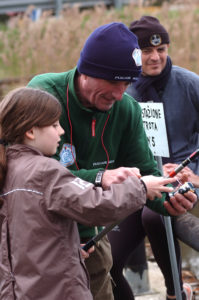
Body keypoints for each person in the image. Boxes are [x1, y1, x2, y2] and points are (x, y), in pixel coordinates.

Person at [27, 22, 197, 300]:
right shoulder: (44, 94)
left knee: (104, 280)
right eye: (114, 82)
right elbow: (38, 177)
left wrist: (169, 200)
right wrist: (99, 177)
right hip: (41, 238)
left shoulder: (126, 109)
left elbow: (146, 174)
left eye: (128, 83)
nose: (121, 94)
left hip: (92, 237)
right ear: (87, 70)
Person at [0, 86, 178, 299]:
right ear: (30, 131)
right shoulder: (45, 170)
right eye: (55, 125)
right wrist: (141, 187)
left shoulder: (7, 168)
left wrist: (68, 250)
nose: (61, 132)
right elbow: (96, 206)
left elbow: (26, 237)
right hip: (58, 291)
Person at [126, 15, 199, 299]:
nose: (155, 57)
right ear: (134, 54)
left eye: (162, 49)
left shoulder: (190, 83)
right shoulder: (124, 90)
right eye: (146, 51)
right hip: (139, 179)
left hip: (183, 177)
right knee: (111, 263)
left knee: (156, 216)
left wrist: (194, 173)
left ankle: (174, 292)